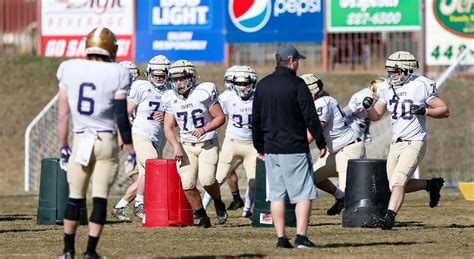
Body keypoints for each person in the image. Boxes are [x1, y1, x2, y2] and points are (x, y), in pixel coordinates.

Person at [57, 27, 134, 259]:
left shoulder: (69, 68)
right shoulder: (119, 72)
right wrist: (130, 148)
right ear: (111, 48)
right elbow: (121, 115)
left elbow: (63, 115)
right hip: (106, 140)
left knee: (75, 197)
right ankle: (90, 252)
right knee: (99, 198)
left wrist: (62, 145)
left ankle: (68, 251)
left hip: (81, 139)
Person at [363, 51, 449, 230]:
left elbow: (444, 110)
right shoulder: (387, 87)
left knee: (398, 181)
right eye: (389, 71)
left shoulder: (421, 84)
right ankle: (431, 184)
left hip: (415, 141)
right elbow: (377, 115)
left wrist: (425, 111)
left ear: (407, 69)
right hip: (396, 142)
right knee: (396, 184)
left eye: (395, 70)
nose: (391, 74)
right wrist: (367, 107)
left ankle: (388, 219)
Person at [252, 45, 327, 249]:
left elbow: (256, 119)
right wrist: (321, 142)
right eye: (298, 61)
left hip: (271, 148)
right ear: (292, 61)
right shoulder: (298, 84)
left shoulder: (263, 85)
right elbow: (310, 117)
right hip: (294, 147)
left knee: (276, 194)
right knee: (304, 193)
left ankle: (281, 238)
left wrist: (259, 145)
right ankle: (301, 237)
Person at [162, 60, 228, 228]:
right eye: (175, 79)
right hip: (185, 145)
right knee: (188, 184)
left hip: (207, 143)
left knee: (207, 180)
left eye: (182, 78)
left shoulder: (203, 92)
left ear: (191, 77)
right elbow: (168, 127)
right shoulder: (170, 98)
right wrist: (176, 145)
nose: (178, 82)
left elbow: (220, 117)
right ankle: (203, 217)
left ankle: (218, 202)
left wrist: (205, 128)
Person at [112, 55, 171, 221]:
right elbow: (124, 114)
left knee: (148, 174)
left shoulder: (170, 91)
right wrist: (121, 139)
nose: (158, 77)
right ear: (148, 73)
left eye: (162, 74)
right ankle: (140, 203)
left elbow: (175, 121)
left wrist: (166, 115)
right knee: (152, 166)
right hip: (139, 134)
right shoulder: (141, 87)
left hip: (158, 138)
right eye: (156, 74)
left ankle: (121, 206)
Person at [300, 73, 366, 216]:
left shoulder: (322, 102)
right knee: (310, 178)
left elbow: (314, 130)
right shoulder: (318, 102)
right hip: (333, 151)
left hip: (348, 148)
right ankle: (339, 197)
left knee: (349, 194)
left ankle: (358, 217)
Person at [202, 66, 255, 216]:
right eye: (239, 83)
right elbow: (216, 118)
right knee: (218, 176)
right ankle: (203, 209)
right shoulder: (226, 98)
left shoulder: (259, 97)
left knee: (254, 180)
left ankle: (247, 210)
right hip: (232, 143)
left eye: (246, 83)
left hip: (252, 145)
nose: (242, 87)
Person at [111, 61, 140, 222]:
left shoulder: (137, 92)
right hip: (133, 143)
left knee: (144, 181)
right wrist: (122, 140)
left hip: (140, 139)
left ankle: (126, 207)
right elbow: (121, 120)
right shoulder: (120, 97)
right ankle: (121, 206)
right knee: (145, 179)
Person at [343, 78, 384, 144]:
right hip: (349, 133)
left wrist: (366, 131)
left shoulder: (374, 98)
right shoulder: (362, 97)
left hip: (357, 132)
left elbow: (367, 116)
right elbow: (344, 113)